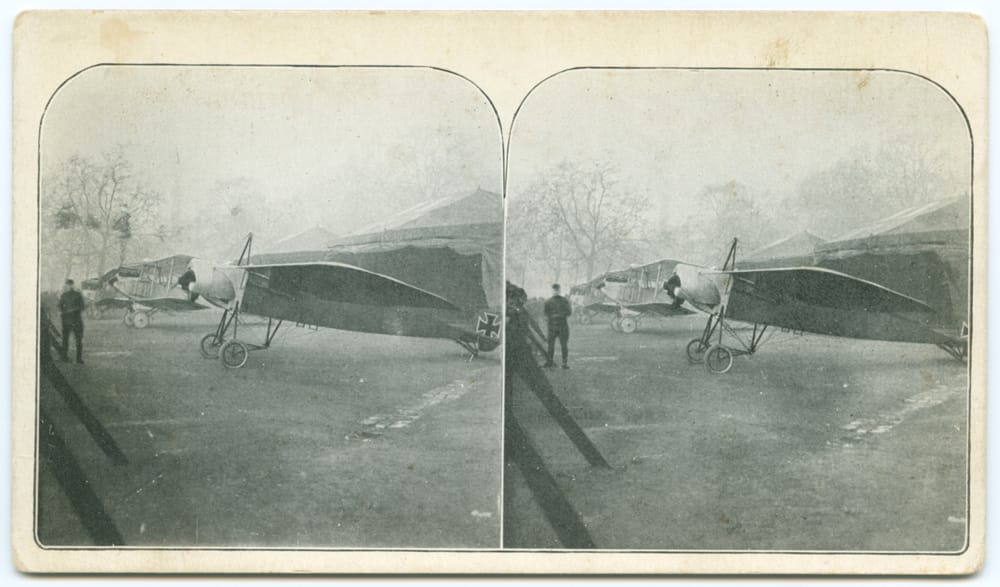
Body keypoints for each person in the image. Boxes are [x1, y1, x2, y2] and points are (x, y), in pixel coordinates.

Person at [543, 283, 572, 369]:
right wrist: (560, 315)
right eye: (555, 289)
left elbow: (545, 314)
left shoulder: (548, 301)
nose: (555, 291)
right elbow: (569, 312)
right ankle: (563, 363)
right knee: (561, 345)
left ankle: (551, 362)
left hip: (553, 326)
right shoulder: (564, 301)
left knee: (555, 345)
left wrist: (552, 316)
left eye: (556, 289)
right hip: (561, 325)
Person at [58, 279, 85, 364]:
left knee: (78, 340)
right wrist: (64, 312)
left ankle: (78, 359)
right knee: (66, 340)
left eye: (70, 285)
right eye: (67, 285)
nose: (69, 286)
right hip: (68, 320)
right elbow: (59, 306)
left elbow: (82, 307)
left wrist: (69, 311)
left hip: (75, 320)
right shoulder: (64, 295)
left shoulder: (77, 295)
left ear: (73, 285)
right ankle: (65, 357)